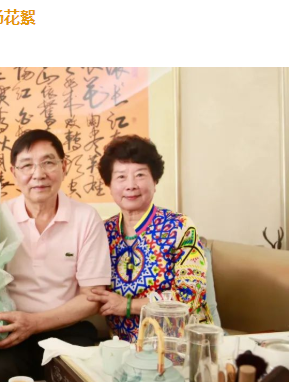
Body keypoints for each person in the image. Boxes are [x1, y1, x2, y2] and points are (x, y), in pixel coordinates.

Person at [0, 129, 111, 382]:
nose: (38, 174)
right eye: (27, 165)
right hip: (11, 329)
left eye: (48, 162)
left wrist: (34, 323)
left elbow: (92, 298)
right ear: (14, 173)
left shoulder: (86, 218)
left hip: (66, 328)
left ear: (64, 166)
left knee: (76, 381)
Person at [87, 135, 212, 343]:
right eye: (121, 177)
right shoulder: (102, 231)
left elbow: (190, 297)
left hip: (182, 343)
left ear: (155, 181)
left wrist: (129, 306)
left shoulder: (180, 227)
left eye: (140, 175)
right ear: (109, 184)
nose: (131, 185)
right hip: (123, 348)